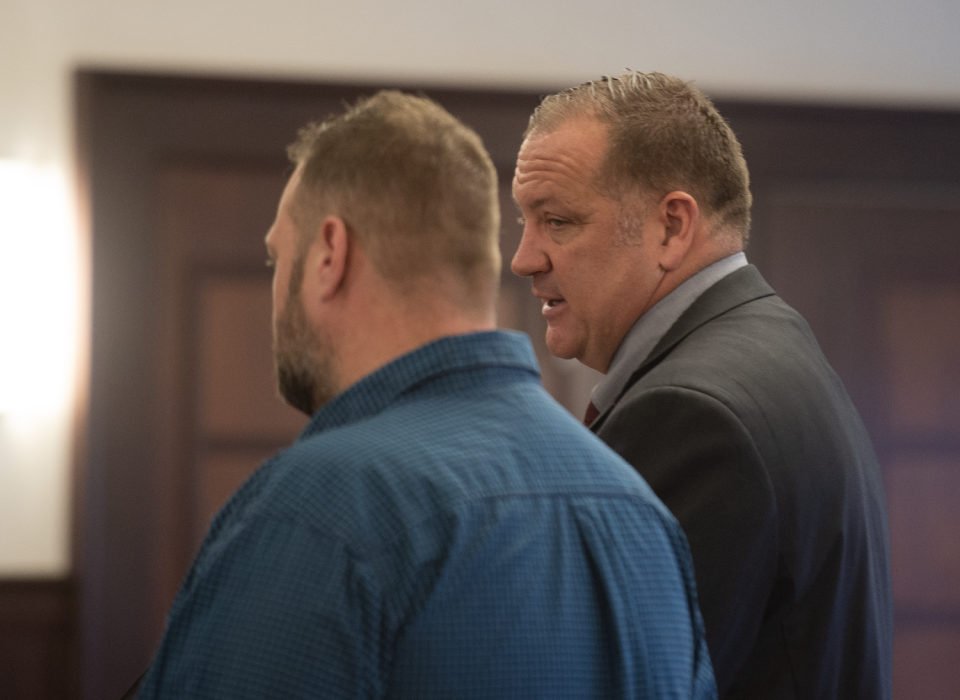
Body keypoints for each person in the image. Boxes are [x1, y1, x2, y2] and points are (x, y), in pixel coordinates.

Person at [135, 90, 716, 699]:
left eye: (277, 256)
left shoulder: (318, 510)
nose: (275, 287)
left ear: (331, 253)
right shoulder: (641, 514)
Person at [510, 71, 893, 699]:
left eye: (557, 221)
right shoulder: (772, 340)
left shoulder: (689, 415)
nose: (524, 257)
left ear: (671, 226)